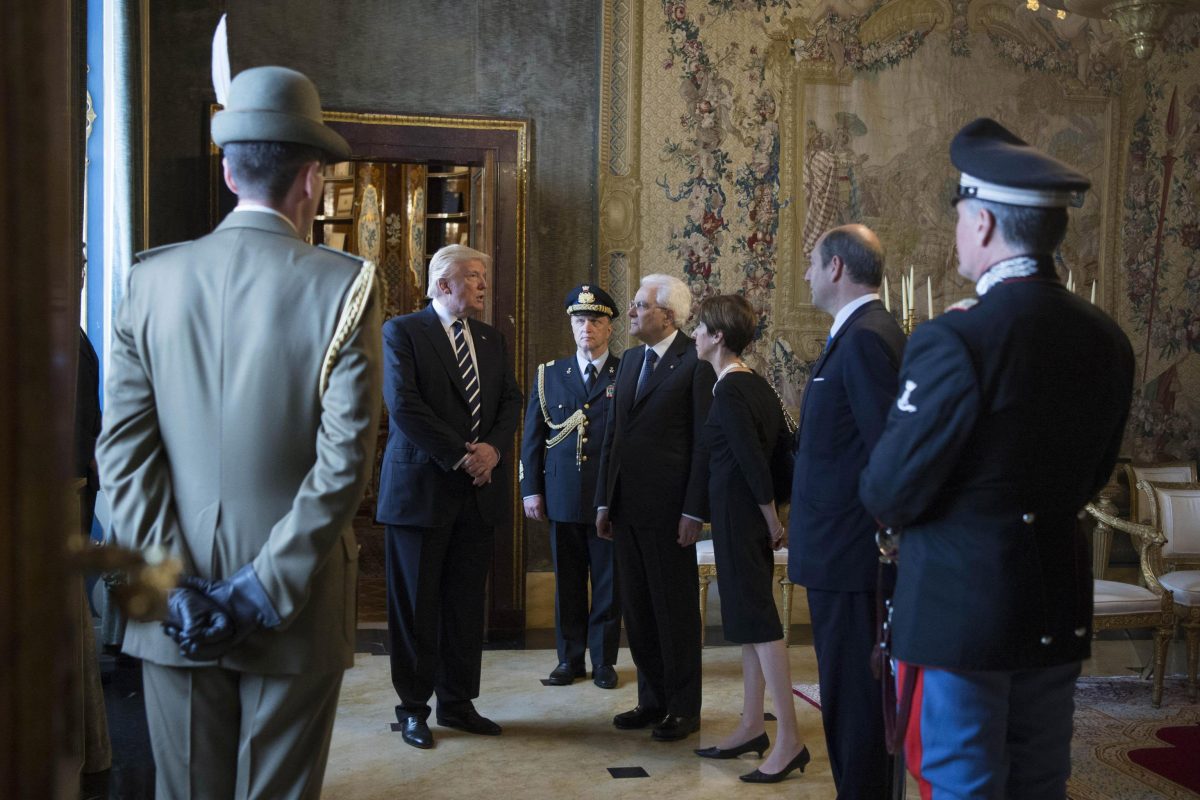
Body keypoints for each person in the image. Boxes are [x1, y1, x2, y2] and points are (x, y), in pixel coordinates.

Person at [96, 66, 381, 799]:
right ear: (312, 179)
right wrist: (259, 589)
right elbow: (343, 463)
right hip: (296, 597)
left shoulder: (150, 280)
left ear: (228, 173)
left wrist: (173, 587)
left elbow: (123, 457)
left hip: (173, 602)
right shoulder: (344, 285)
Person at [859, 118, 1135, 798]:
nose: (958, 229)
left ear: (982, 222)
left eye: (960, 215)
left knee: (962, 783)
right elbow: (1094, 475)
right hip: (1054, 600)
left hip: (962, 613)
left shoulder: (958, 337)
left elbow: (888, 490)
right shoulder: (1107, 338)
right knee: (1040, 782)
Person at [377, 243, 523, 750]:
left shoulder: (490, 338)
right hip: (421, 492)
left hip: (477, 495)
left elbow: (510, 400)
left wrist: (493, 451)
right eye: (474, 276)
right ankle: (413, 710)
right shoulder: (402, 332)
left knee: (464, 606)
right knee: (416, 608)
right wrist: (463, 456)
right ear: (444, 285)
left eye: (483, 276)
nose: (483, 284)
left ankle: (458, 703)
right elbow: (404, 406)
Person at [789, 224, 905, 799]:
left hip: (853, 557)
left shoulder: (865, 338)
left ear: (836, 267)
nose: (807, 274)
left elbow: (888, 451)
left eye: (813, 263)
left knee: (855, 701)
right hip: (842, 553)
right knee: (850, 696)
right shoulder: (860, 333)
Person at [691, 294, 810, 783]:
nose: (695, 334)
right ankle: (751, 725)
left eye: (700, 328)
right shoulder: (755, 384)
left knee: (760, 625)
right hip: (745, 518)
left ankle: (790, 740)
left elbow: (752, 461)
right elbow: (784, 454)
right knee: (748, 622)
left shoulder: (731, 391)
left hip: (742, 520)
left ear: (718, 336)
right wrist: (774, 513)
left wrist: (771, 519)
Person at [595, 273, 715, 742]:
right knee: (639, 610)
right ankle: (652, 700)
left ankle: (683, 708)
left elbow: (703, 444)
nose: (631, 312)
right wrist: (604, 500)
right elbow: (613, 437)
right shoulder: (629, 362)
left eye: (641, 305)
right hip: (626, 509)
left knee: (674, 612)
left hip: (670, 514)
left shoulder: (695, 362)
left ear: (668, 315)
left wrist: (694, 511)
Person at [520, 284, 621, 690]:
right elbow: (533, 437)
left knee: (609, 584)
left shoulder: (625, 372)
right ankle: (569, 659)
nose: (586, 329)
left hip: (607, 498)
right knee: (567, 584)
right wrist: (531, 489)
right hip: (562, 495)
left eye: (595, 321)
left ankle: (604, 661)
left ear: (609, 328)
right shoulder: (549, 375)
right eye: (580, 321)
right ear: (571, 326)